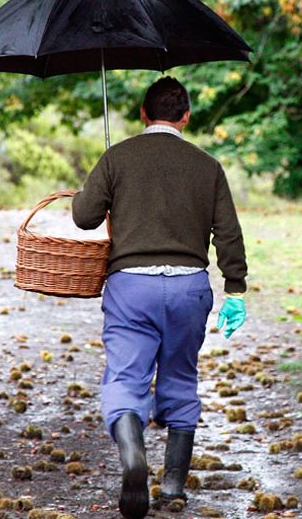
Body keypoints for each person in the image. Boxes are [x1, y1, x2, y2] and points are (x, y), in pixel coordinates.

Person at [71, 76, 248, 519]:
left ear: (144, 115)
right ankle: (172, 488)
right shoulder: (207, 165)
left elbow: (84, 218)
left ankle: (133, 458)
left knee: (125, 379)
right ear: (185, 117)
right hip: (189, 286)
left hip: (132, 286)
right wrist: (236, 288)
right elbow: (227, 231)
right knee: (181, 378)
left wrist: (92, 192)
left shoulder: (119, 156)